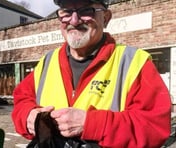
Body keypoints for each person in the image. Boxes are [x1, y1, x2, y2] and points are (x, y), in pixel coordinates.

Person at [11, 0, 171, 147]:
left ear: (106, 18)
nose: (74, 21)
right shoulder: (47, 62)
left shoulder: (134, 62)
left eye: (86, 10)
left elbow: (155, 128)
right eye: (66, 12)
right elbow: (21, 102)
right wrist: (28, 117)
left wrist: (91, 124)